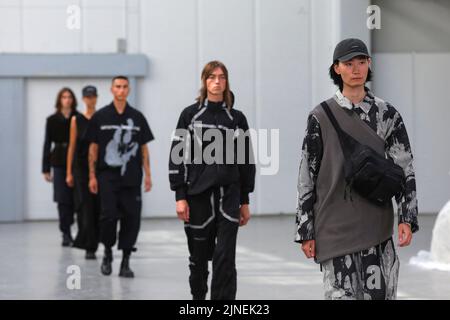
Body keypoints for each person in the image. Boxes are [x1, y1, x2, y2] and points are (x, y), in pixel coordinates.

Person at [295, 38, 419, 300]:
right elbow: (307, 176)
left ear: (369, 64)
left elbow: (404, 167)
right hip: (334, 228)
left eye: (361, 62)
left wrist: (407, 216)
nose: (356, 69)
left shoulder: (387, 114)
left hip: (377, 228)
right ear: (336, 68)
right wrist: (305, 229)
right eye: (348, 63)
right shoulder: (320, 116)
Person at [169, 61, 256, 300]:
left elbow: (246, 161)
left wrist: (244, 200)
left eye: (221, 77)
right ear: (205, 81)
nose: (217, 81)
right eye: (212, 77)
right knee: (198, 259)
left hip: (229, 196)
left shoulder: (237, 119)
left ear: (226, 81)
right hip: (198, 197)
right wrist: (180, 196)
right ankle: (198, 300)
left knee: (225, 257)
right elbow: (177, 155)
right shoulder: (190, 115)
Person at [86, 76, 154, 278]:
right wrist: (91, 175)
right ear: (111, 89)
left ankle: (125, 261)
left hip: (132, 177)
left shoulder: (137, 117)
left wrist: (148, 175)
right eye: (118, 87)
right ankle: (107, 252)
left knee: (132, 219)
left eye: (125, 87)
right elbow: (93, 148)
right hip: (107, 176)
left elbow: (143, 148)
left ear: (129, 90)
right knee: (108, 216)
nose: (121, 90)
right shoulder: (100, 116)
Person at [66, 85, 101, 259]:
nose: (90, 99)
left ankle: (98, 240)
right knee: (86, 205)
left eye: (93, 96)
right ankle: (90, 245)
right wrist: (68, 172)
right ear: (83, 99)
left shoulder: (102, 117)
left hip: (99, 167)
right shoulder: (76, 120)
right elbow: (72, 146)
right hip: (80, 167)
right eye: (87, 96)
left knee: (99, 206)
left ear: (97, 98)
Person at [42, 87, 78, 247]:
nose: (67, 100)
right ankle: (66, 233)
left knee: (76, 199)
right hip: (58, 161)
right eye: (64, 97)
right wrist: (45, 168)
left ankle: (79, 232)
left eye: (69, 97)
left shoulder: (78, 117)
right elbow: (47, 143)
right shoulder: (52, 119)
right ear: (59, 100)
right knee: (62, 199)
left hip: (76, 161)